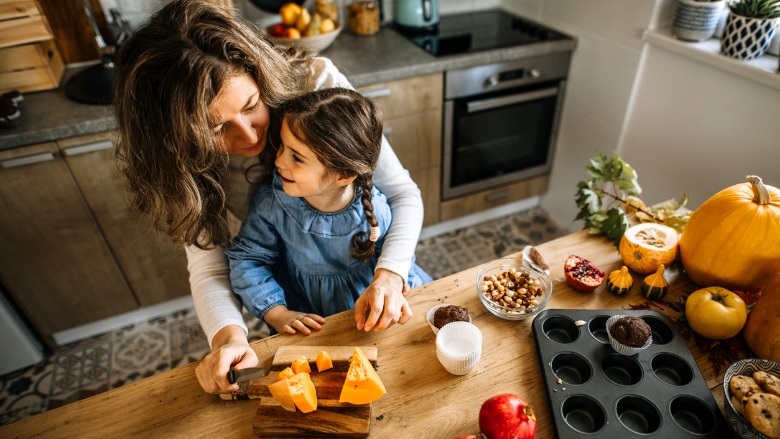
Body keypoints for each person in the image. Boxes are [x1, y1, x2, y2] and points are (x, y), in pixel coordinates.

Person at [113, 0, 425, 394]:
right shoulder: (188, 163)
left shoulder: (318, 89)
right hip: (301, 302)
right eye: (216, 129)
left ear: (260, 75)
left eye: (252, 106)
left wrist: (391, 274)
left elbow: (400, 193)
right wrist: (229, 339)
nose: (250, 138)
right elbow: (213, 266)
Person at [226, 88, 431, 335]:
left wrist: (392, 298)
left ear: (343, 175)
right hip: (309, 321)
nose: (278, 161)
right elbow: (248, 261)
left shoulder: (374, 208)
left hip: (369, 319)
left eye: (297, 158)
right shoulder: (271, 204)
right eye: (283, 146)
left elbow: (398, 262)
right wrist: (278, 313)